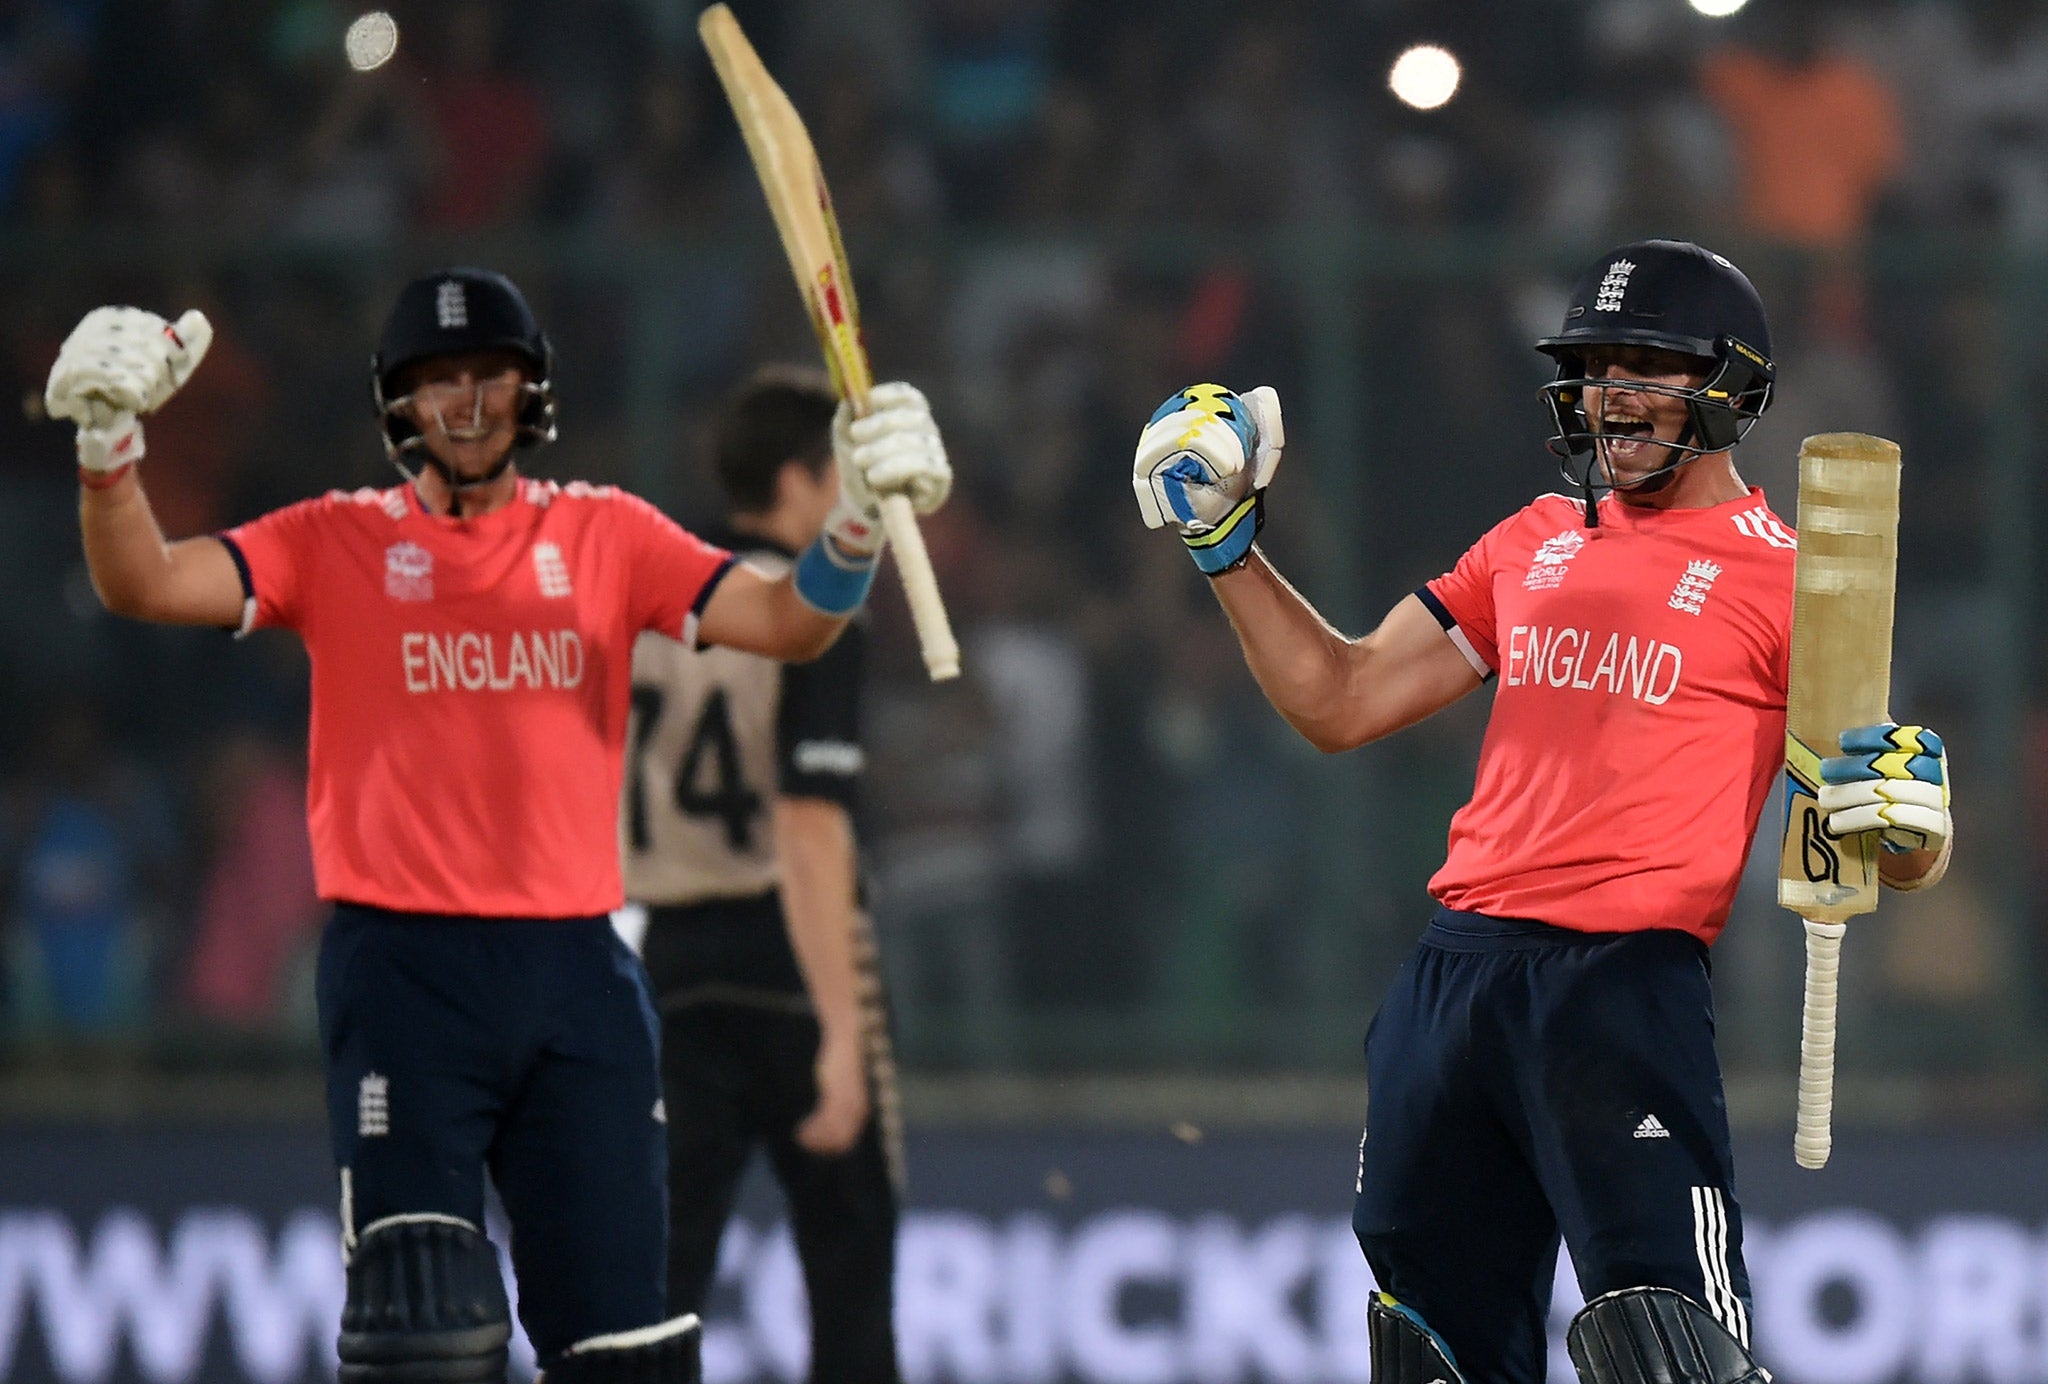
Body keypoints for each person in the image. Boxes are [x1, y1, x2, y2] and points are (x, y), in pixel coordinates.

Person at [41, 270, 951, 1384]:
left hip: (578, 970)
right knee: (421, 1332)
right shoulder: (331, 542)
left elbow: (786, 623)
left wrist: (853, 525)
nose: (467, 405)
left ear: (534, 394)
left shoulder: (608, 534)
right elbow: (141, 582)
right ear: (398, 406)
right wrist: (107, 455)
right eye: (439, 383)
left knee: (625, 1349)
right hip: (403, 976)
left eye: (492, 378)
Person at [1131, 240, 1954, 1384]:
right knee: (1432, 1357)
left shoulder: (1791, 577)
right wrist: (1224, 549)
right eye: (1596, 364)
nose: (1612, 390)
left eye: (1647, 364)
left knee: (1673, 1356)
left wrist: (1912, 817)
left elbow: (1871, 844)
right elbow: (1342, 697)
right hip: (1450, 983)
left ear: (1731, 386)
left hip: (1619, 993)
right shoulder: (1531, 537)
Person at [623, 367, 900, 1382]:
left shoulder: (659, 597)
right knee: (849, 1275)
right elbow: (810, 826)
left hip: (666, 956)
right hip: (794, 952)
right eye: (839, 479)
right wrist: (837, 1027)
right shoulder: (807, 605)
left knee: (656, 1284)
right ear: (799, 480)